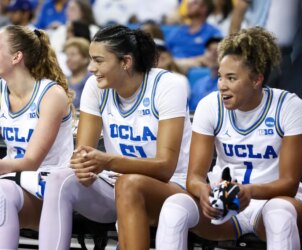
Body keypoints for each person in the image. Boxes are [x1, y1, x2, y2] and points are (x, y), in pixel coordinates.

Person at [39, 24, 192, 250]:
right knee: (59, 178)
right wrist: (83, 165)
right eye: (91, 59)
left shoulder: (167, 86)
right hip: (115, 183)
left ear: (125, 62)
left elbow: (165, 167)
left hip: (169, 187)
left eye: (99, 60)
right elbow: (83, 152)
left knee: (128, 183)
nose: (91, 68)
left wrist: (108, 161)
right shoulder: (96, 87)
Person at [156, 27, 302, 250]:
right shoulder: (210, 105)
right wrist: (203, 192)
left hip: (272, 202)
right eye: (221, 77)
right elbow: (194, 177)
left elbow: (289, 184)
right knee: (174, 207)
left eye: (231, 78)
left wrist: (249, 191)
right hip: (223, 203)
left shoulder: (289, 106)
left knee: (280, 215)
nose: (222, 85)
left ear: (256, 79)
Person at [0, 25, 74, 249]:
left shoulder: (51, 94)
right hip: (11, 181)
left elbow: (31, 162)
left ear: (17, 56)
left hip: (52, 189)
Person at [64, 37, 91, 109]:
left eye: (73, 54)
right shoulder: (63, 79)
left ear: (85, 58)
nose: (68, 59)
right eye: (67, 55)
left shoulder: (91, 79)